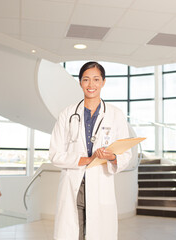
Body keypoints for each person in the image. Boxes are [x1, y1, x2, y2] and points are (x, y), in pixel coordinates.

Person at [49, 61, 132, 240]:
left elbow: (126, 155)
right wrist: (88, 159)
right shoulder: (67, 114)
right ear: (80, 83)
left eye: (96, 79)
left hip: (101, 184)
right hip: (74, 185)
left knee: (99, 233)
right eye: (86, 79)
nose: (91, 84)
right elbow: (55, 154)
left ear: (103, 82)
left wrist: (112, 157)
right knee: (72, 233)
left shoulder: (115, 115)